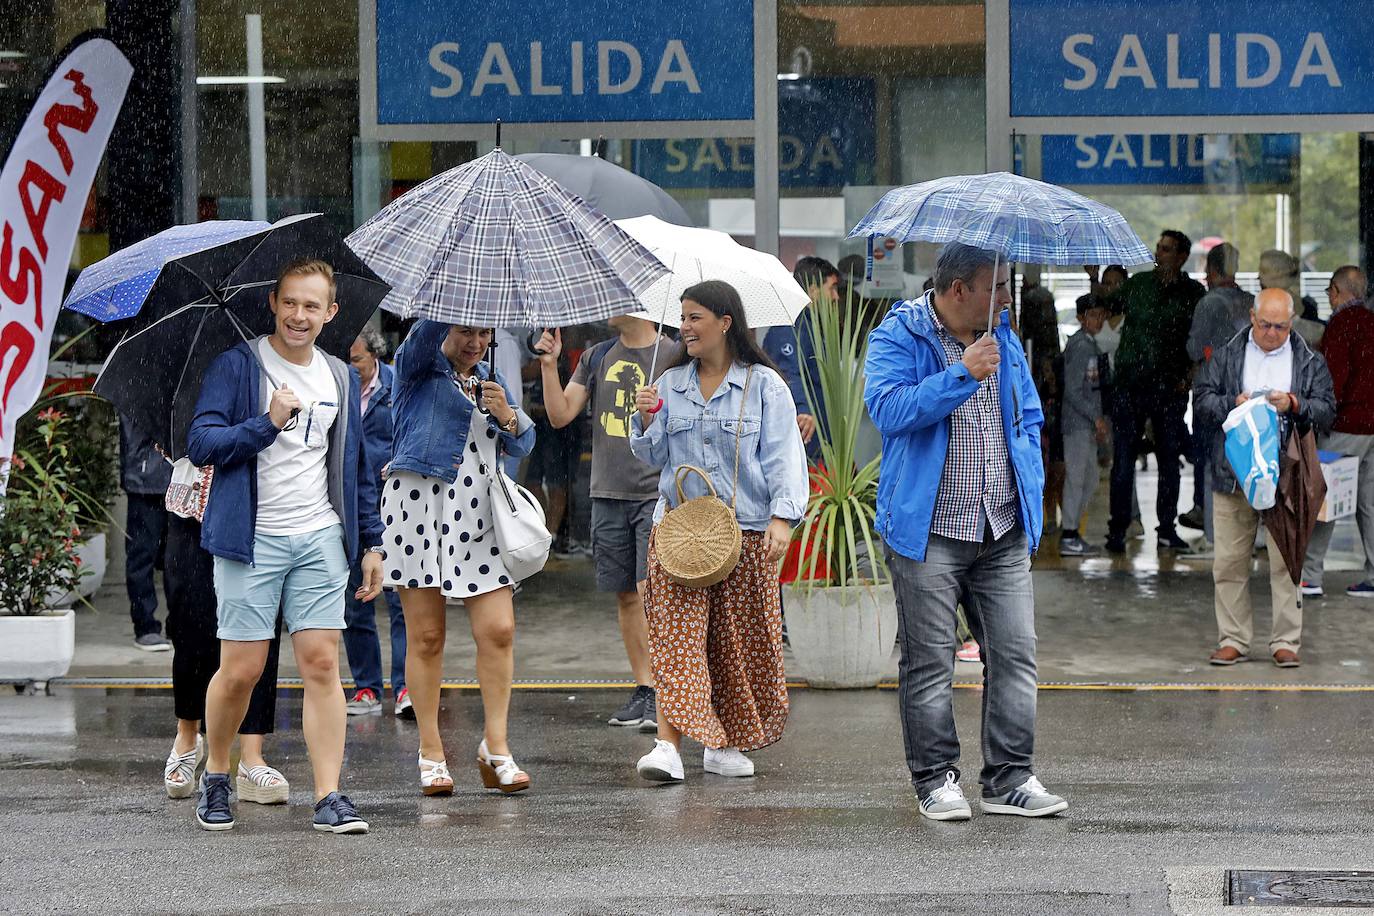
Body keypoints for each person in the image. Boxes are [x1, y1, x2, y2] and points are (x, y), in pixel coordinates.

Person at [864, 242, 1068, 821]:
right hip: (930, 530)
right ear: (959, 291)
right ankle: (935, 779)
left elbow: (1027, 414)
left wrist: (1025, 487)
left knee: (1016, 653)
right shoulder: (898, 335)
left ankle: (1009, 780)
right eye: (996, 287)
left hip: (999, 526)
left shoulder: (1001, 336)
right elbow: (889, 411)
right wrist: (960, 374)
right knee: (930, 661)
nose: (1006, 298)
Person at [187, 258, 383, 834]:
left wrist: (370, 542)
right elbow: (202, 442)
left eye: (312, 306)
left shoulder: (340, 377)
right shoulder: (238, 366)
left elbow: (358, 468)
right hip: (252, 538)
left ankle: (329, 795)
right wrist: (265, 424)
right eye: (290, 303)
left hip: (319, 534)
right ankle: (218, 773)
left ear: (332, 313)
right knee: (242, 669)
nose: (300, 315)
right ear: (273, 302)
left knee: (323, 662)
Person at [629, 280, 807, 783]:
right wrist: (643, 419)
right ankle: (667, 746)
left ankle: (722, 742)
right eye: (682, 318)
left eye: (694, 317)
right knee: (675, 639)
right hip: (679, 533)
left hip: (744, 534)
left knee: (733, 642)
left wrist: (782, 518)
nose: (684, 328)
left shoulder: (764, 385)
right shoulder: (667, 386)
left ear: (725, 322)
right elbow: (653, 458)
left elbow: (783, 457)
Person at [383, 320, 536, 796]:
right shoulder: (415, 365)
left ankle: (496, 746)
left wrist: (507, 415)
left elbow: (523, 441)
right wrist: (444, 301)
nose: (474, 343)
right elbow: (423, 339)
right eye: (464, 331)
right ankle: (431, 752)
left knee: (499, 629)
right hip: (418, 506)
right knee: (426, 637)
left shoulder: (491, 376)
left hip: (479, 513)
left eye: (483, 334)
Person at [534, 316, 677, 732]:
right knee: (626, 596)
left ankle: (668, 693)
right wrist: (549, 363)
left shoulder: (671, 354)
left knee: (654, 593)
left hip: (655, 493)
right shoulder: (597, 356)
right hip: (607, 491)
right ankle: (645, 688)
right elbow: (560, 415)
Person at [1195, 289, 1335, 668]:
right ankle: (1233, 640)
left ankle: (1286, 642)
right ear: (1252, 317)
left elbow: (1327, 411)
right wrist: (1233, 404)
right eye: (1265, 324)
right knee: (1228, 563)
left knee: (1287, 562)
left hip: (1286, 475)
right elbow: (1202, 401)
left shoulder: (1309, 359)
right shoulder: (1227, 353)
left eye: (1281, 326)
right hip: (1235, 474)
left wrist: (1294, 404)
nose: (1272, 333)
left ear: (1292, 323)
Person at [161, 509, 288, 808]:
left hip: (266, 504)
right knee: (190, 618)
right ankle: (187, 735)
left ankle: (251, 755)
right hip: (195, 499)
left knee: (258, 629)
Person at [1106, 231, 1206, 554]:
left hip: (1169, 387)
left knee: (1168, 459)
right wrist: (1096, 281)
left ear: (1181, 257)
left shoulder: (1192, 293)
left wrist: (1190, 374)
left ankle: (1166, 529)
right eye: (1158, 248)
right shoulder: (1138, 285)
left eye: (1165, 249)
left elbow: (1200, 338)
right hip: (1130, 385)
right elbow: (1107, 304)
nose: (1158, 254)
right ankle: (1118, 529)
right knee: (1123, 460)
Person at [342, 327, 409, 717]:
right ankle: (367, 687)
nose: (352, 368)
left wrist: (395, 461)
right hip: (355, 504)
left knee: (400, 600)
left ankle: (404, 688)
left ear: (376, 357)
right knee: (357, 601)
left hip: (396, 502)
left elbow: (413, 431)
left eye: (357, 360)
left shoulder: (397, 386)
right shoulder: (341, 385)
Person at [1302, 266, 1374, 598]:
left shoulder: (1342, 325)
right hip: (1372, 427)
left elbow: (1335, 381)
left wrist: (1319, 417)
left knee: (1323, 495)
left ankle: (1311, 575)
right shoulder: (1371, 321)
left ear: (1334, 291)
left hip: (1347, 424)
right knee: (1368, 501)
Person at [1182, 242, 1253, 546]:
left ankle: (1214, 532)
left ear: (1210, 271)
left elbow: (1194, 348)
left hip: (1214, 395)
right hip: (1247, 393)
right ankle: (1248, 533)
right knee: (1247, 461)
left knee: (1211, 463)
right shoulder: (1250, 301)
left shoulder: (1209, 303)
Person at [1059, 295, 1109, 556]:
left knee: (1087, 478)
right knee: (1078, 479)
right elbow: (1074, 391)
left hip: (1085, 424)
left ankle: (1072, 531)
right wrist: (1095, 417)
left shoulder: (1089, 345)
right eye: (1093, 315)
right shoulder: (1081, 346)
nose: (1098, 320)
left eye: (1101, 315)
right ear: (1080, 318)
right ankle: (1068, 533)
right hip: (1078, 424)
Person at [119, 416, 172, 651]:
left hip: (175, 480)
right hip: (145, 480)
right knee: (142, 557)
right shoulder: (138, 386)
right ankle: (145, 627)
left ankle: (177, 624)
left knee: (177, 560)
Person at [1019, 265, 1064, 533]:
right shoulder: (1029, 350)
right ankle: (1045, 513)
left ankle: (1045, 513)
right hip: (1044, 405)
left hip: (1046, 406)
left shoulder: (1041, 351)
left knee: (1048, 459)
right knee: (1047, 459)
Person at [1259, 249, 1324, 347]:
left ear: (1278, 274)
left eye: (1263, 271)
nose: (1258, 277)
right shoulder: (1259, 303)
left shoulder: (1302, 306)